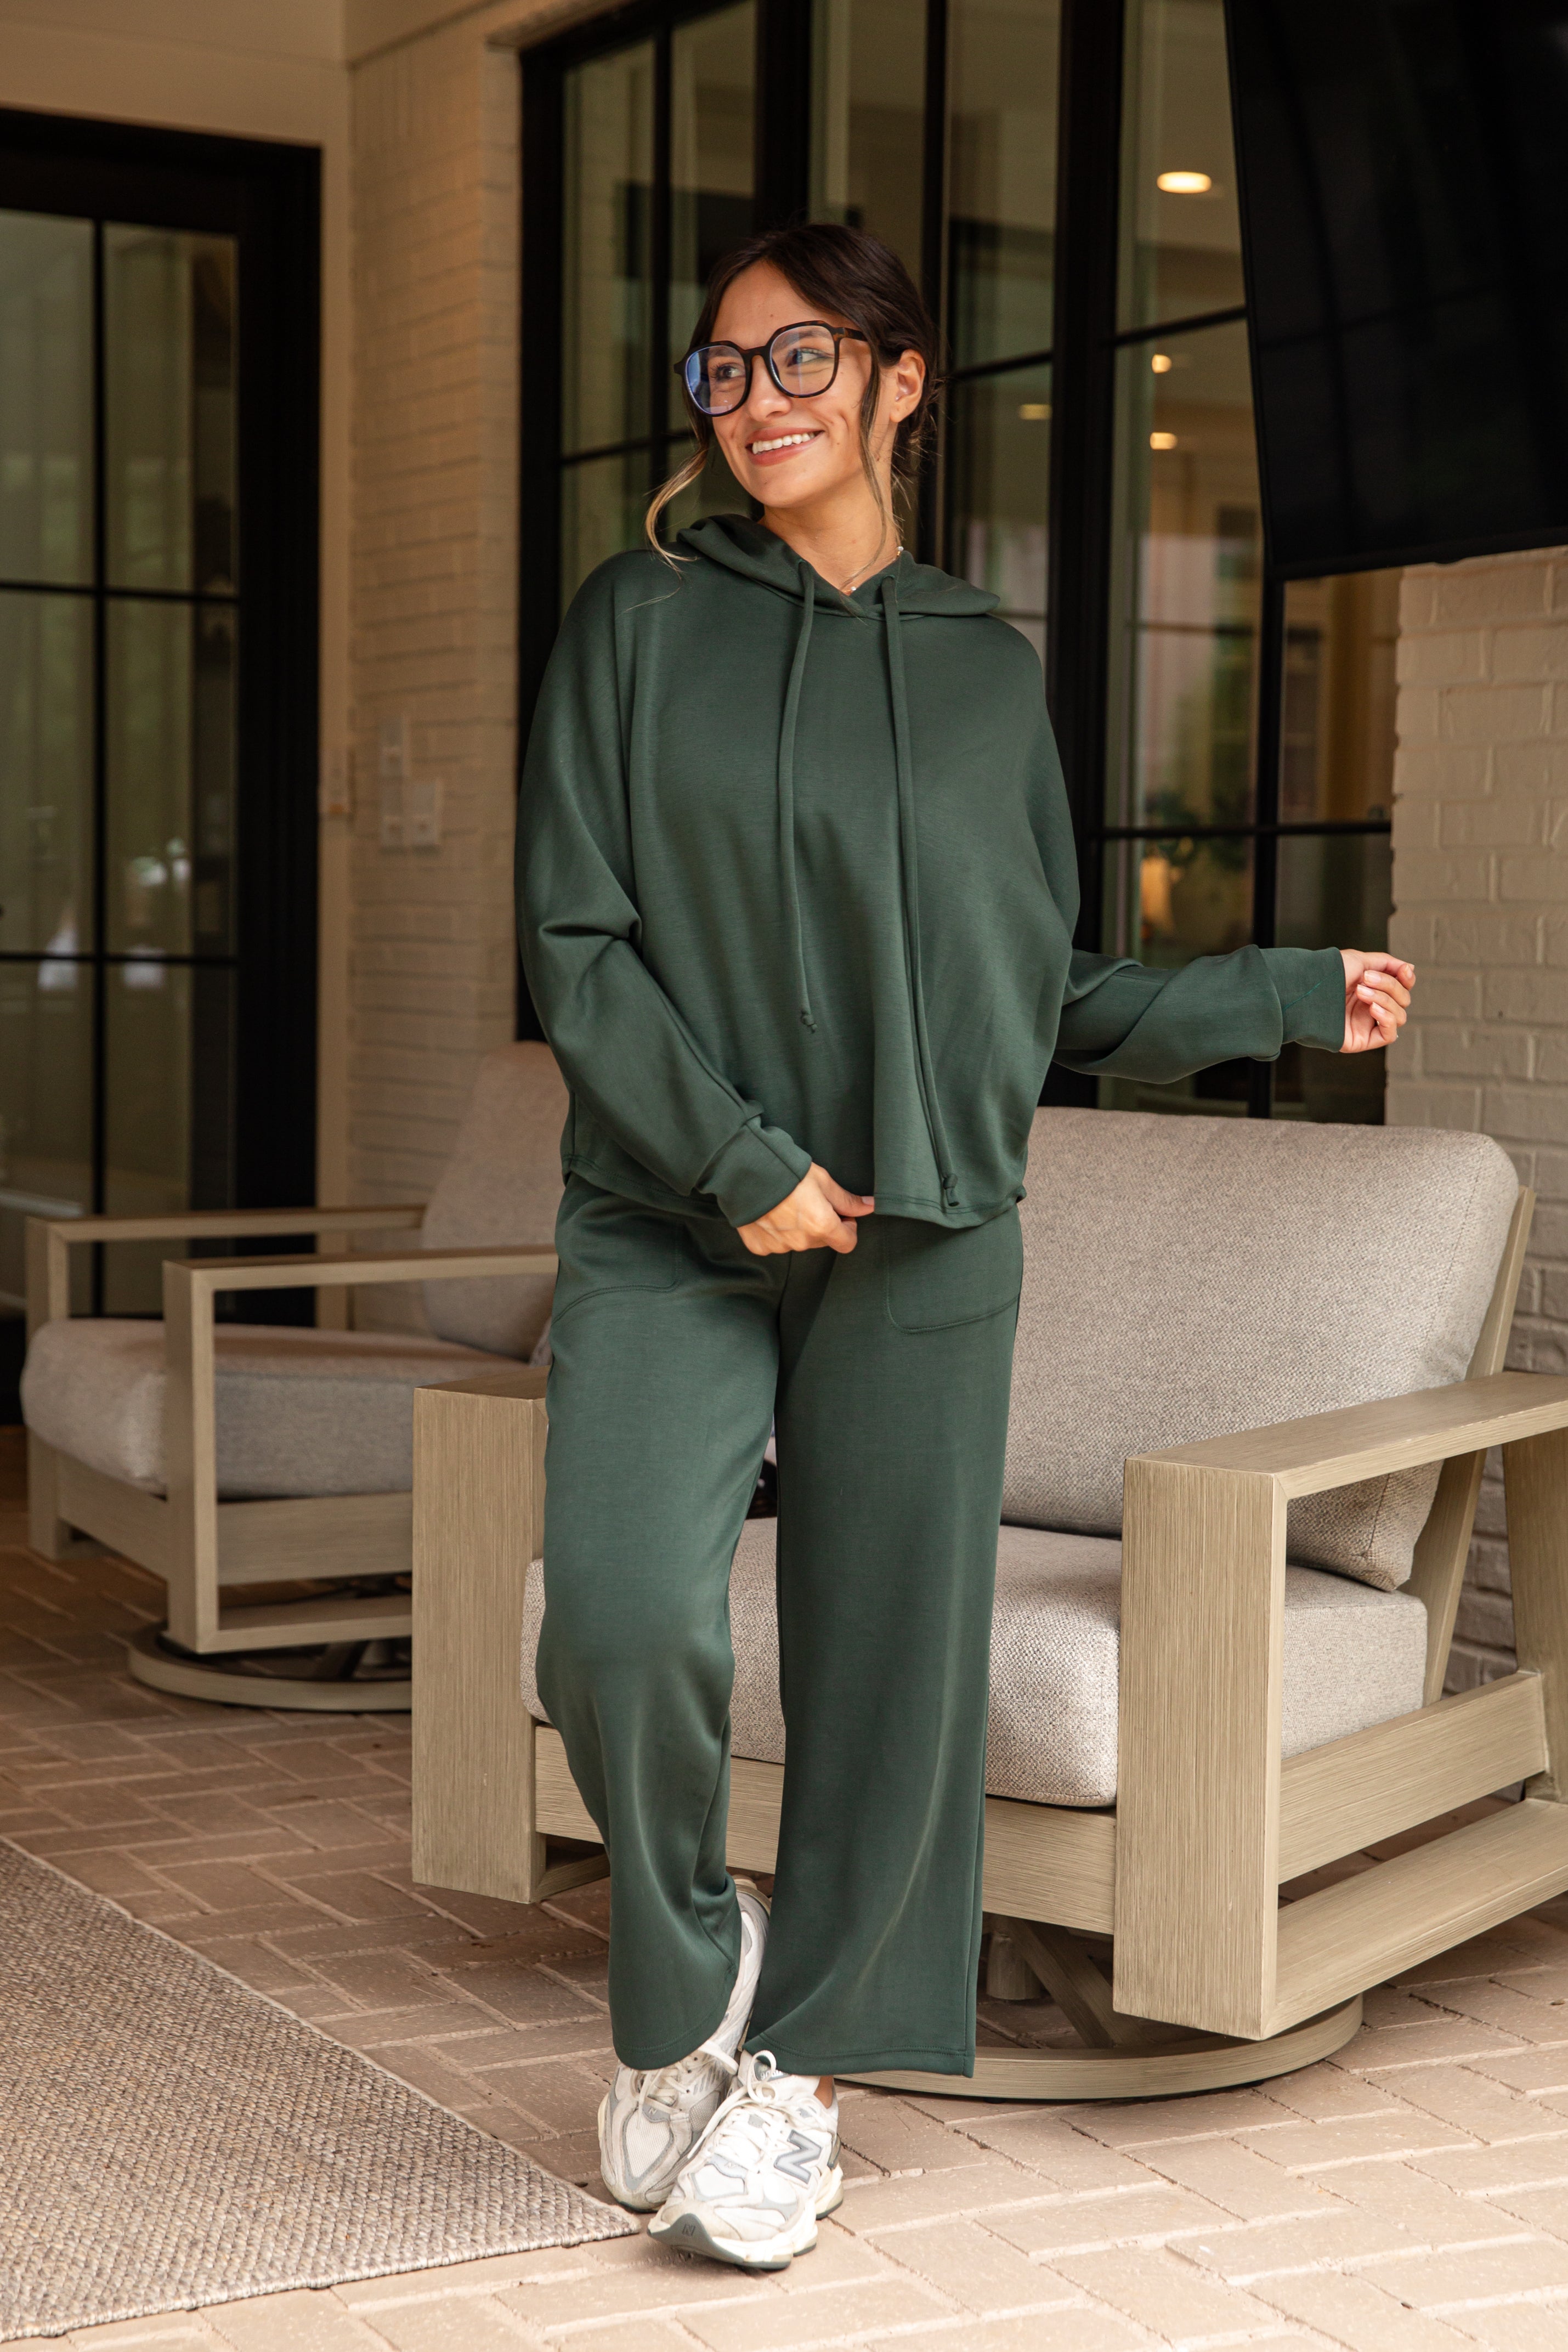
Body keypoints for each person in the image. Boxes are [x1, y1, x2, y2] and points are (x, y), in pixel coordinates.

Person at [515, 222, 1413, 2274]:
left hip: (923, 1236)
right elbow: (575, 942)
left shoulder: (987, 666)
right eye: (723, 372)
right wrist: (732, 1154)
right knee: (624, 1617)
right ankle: (679, 2002)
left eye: (802, 360)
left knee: (889, 1670)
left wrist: (1274, 994)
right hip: (671, 1216)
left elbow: (1028, 993)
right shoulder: (636, 623)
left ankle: (803, 2084)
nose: (760, 404)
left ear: (903, 382)